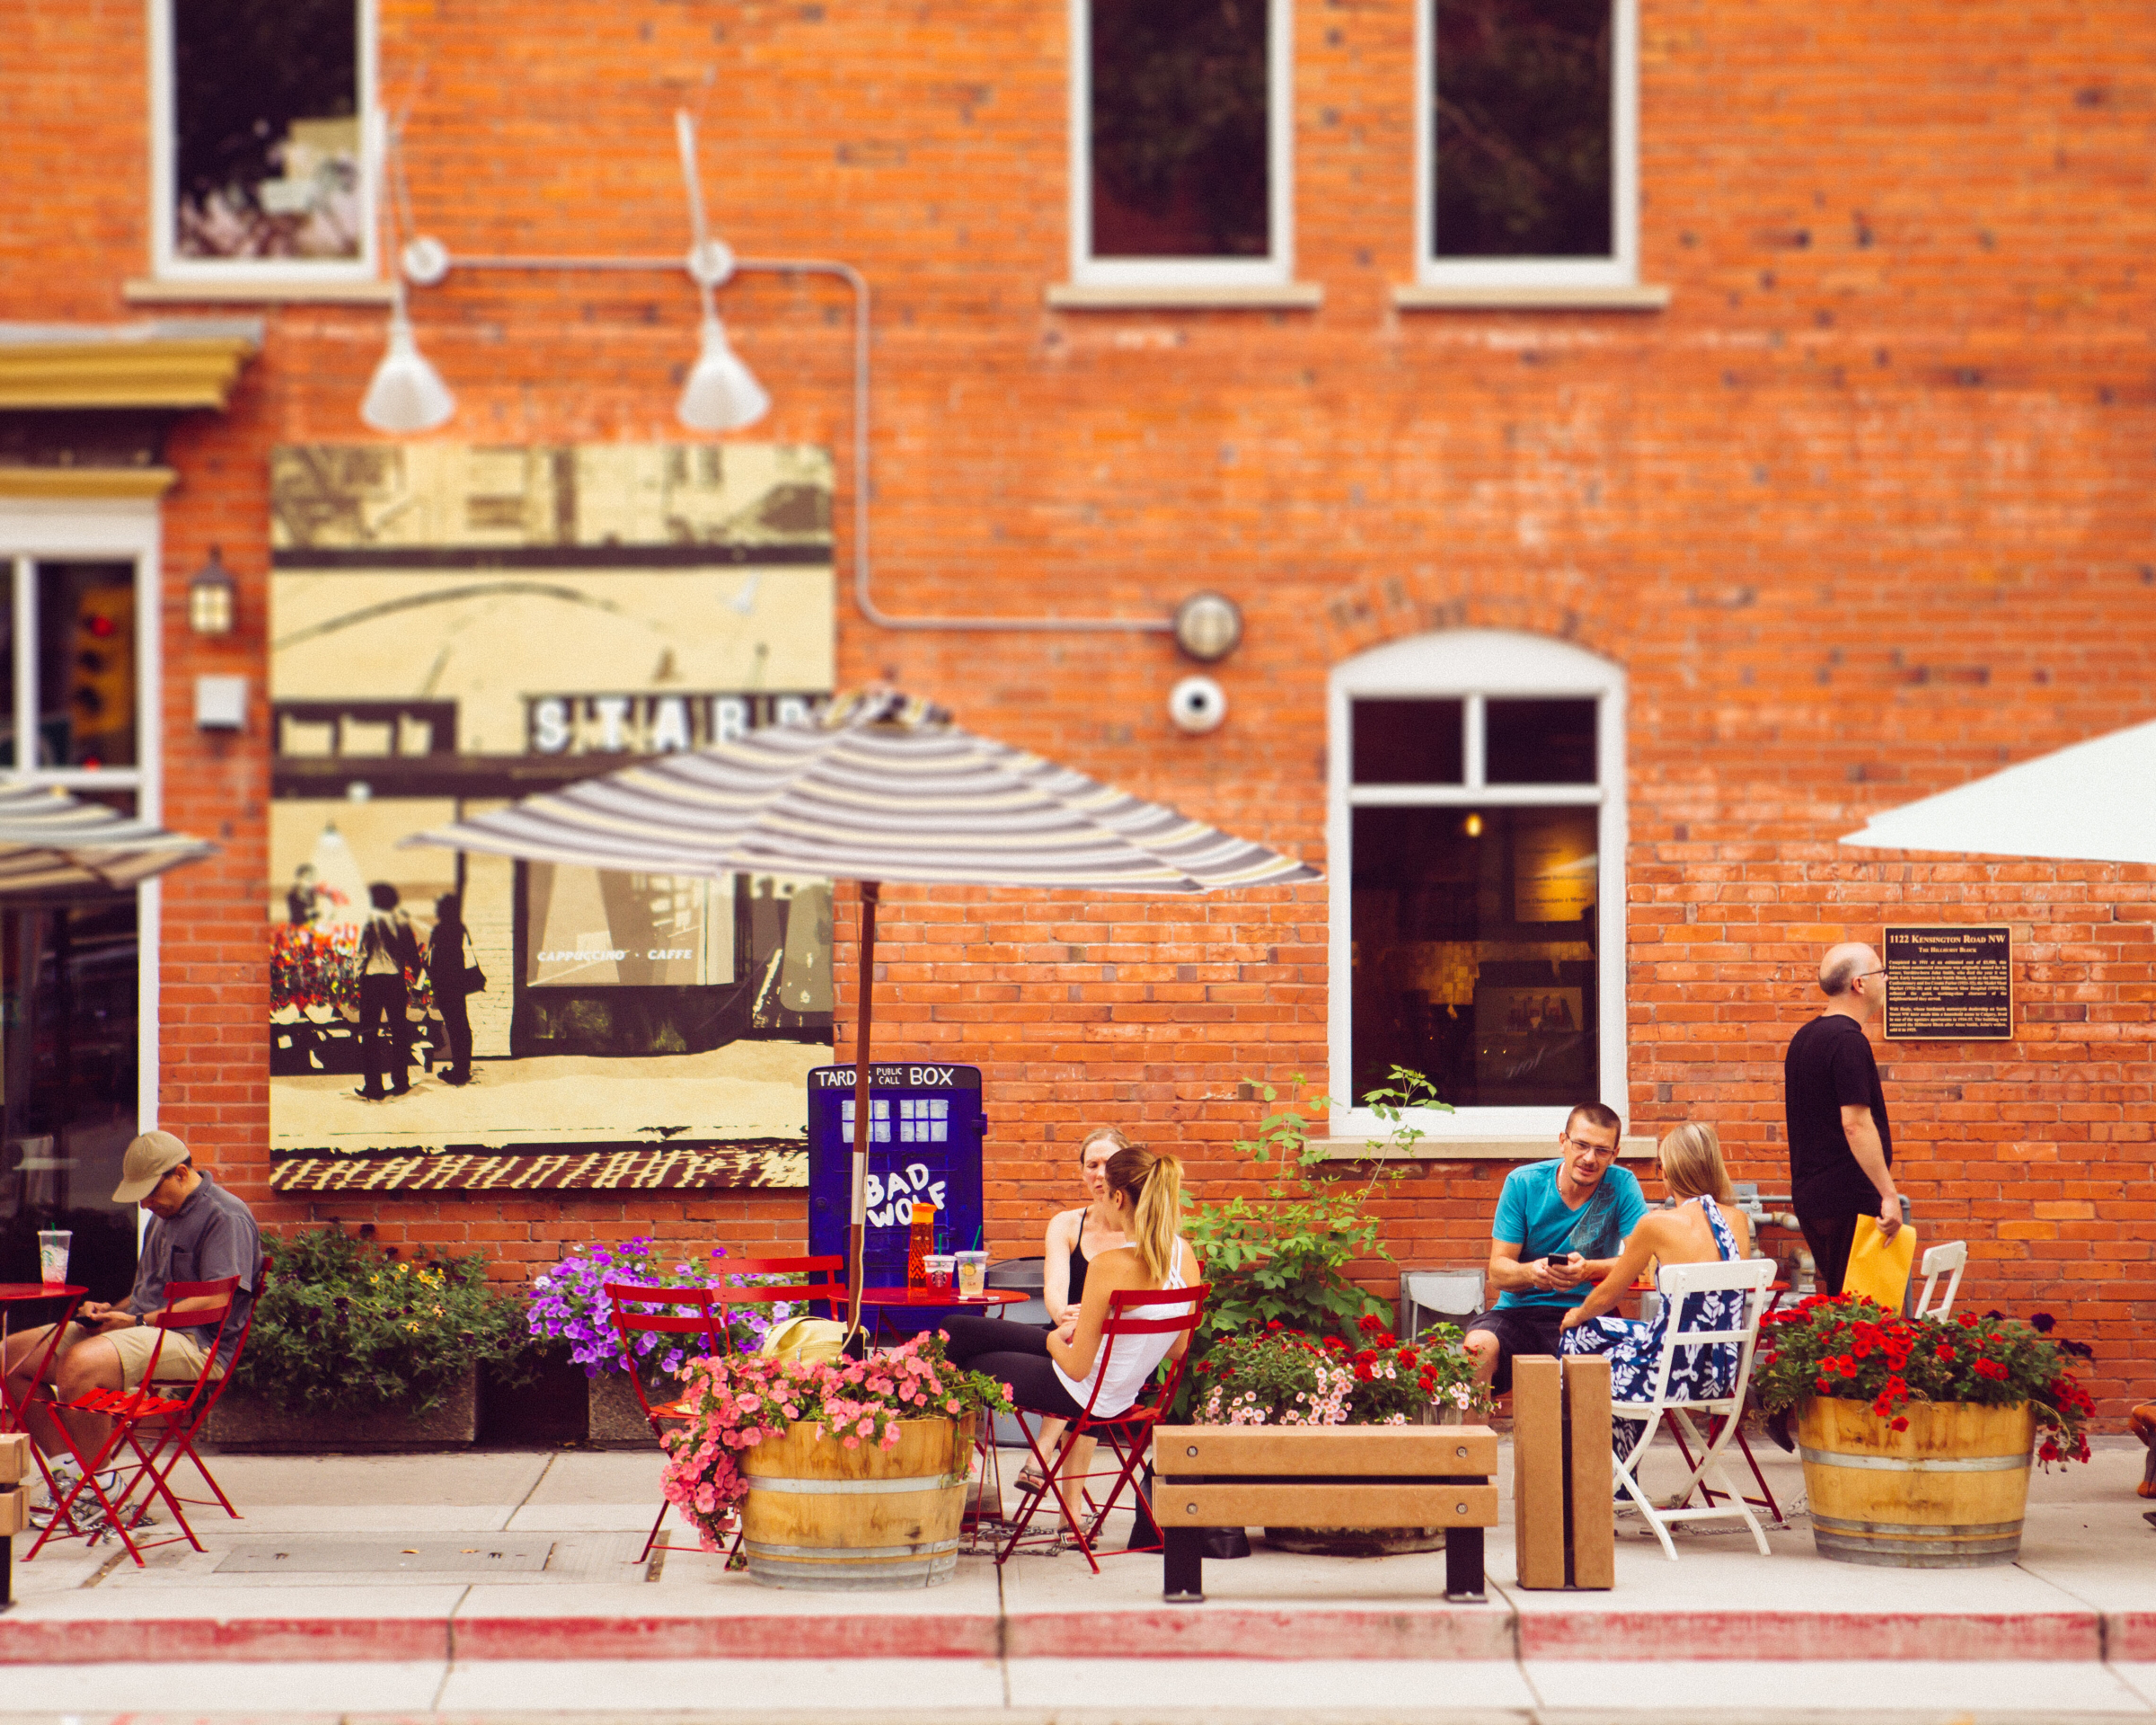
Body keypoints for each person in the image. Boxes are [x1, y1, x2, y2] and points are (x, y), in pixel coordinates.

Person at [0, 1132, 261, 1496]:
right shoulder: (163, 1213)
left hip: (198, 1343)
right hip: (142, 1330)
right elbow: (147, 1295)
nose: (144, 1204)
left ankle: (101, 1490)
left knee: (80, 1365)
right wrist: (111, 1312)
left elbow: (215, 1301)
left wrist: (136, 1322)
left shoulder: (225, 1216)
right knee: (10, 1356)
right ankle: (73, 1477)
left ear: (181, 1173)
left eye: (150, 1192)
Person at [941, 1142, 1196, 1499]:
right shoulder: (1183, 1254)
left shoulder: (1110, 1264)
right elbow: (1178, 1349)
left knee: (961, 1348)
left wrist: (1051, 1340)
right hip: (1122, 1395)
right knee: (963, 1329)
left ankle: (940, 1479)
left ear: (1118, 1198)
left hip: (1080, 1393)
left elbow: (1076, 1368)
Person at [1559, 1123, 1755, 1465]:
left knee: (1578, 1339)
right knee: (1605, 1339)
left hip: (1668, 1374)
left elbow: (1607, 1295)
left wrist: (1575, 1315)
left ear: (1671, 1171)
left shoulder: (1658, 1224)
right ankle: (1621, 1477)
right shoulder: (1738, 1220)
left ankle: (1606, 1478)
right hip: (1719, 1372)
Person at [1460, 1102, 1648, 1394]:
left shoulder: (1621, 1185)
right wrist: (1533, 1272)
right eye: (1581, 1145)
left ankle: (1592, 1440)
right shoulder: (1524, 1183)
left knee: (1608, 1374)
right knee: (1476, 1348)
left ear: (1615, 1154)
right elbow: (1498, 1271)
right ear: (1563, 1142)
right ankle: (1471, 1441)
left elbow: (1645, 1261)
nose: (1589, 1158)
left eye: (1601, 1150)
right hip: (1520, 1312)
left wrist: (1589, 1270)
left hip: (1588, 1313)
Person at [1014, 1126, 1132, 1494]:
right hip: (1066, 1338)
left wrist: (1092, 1324)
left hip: (1119, 1347)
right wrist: (1070, 1319)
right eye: (1091, 1164)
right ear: (1082, 1171)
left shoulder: (1138, 1231)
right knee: (1081, 1354)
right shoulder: (1066, 1224)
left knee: (1088, 1360)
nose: (1100, 1174)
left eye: (1109, 1164)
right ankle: (1072, 1517)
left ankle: (1041, 1455)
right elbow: (1055, 1290)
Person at [1784, 941, 1902, 1297]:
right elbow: (1855, 1124)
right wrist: (1888, 1193)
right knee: (1867, 1313)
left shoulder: (1804, 1038)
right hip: (1850, 1199)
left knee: (1845, 1303)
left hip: (1813, 1198)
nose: (1886, 980)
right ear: (1859, 984)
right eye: (1882, 972)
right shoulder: (1848, 1041)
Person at [355, 882, 420, 1101]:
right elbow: (412, 953)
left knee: (369, 1034)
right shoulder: (400, 920)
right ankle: (401, 1081)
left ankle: (374, 1086)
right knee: (400, 1032)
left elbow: (361, 952)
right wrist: (417, 977)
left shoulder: (368, 920)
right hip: (395, 981)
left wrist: (356, 977)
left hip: (372, 981)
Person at [427, 892, 476, 1086]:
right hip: (459, 983)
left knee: (455, 1027)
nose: (436, 910)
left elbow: (433, 960)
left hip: (445, 984)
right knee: (461, 1025)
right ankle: (463, 1068)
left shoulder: (439, 930)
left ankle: (460, 1072)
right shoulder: (460, 928)